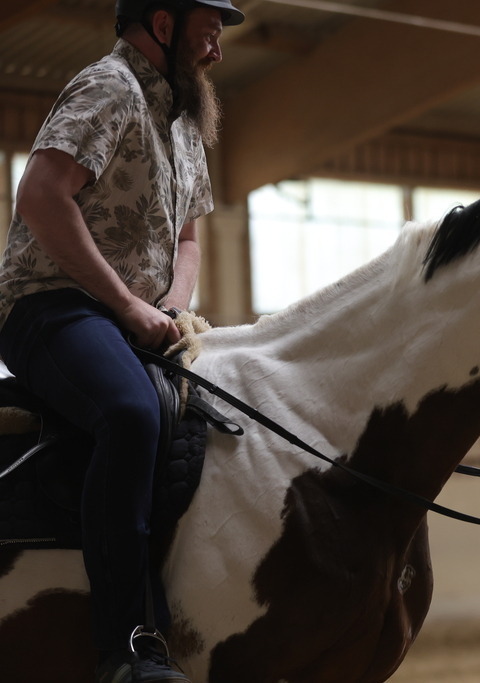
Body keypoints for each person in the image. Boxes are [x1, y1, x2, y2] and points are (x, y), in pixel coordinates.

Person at [0, 1, 243, 681]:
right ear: (162, 24)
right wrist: (130, 306)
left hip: (134, 315)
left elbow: (190, 236)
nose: (217, 48)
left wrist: (171, 302)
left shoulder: (187, 122)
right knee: (131, 413)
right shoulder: (109, 88)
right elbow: (42, 194)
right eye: (208, 30)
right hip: (51, 307)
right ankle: (127, 647)